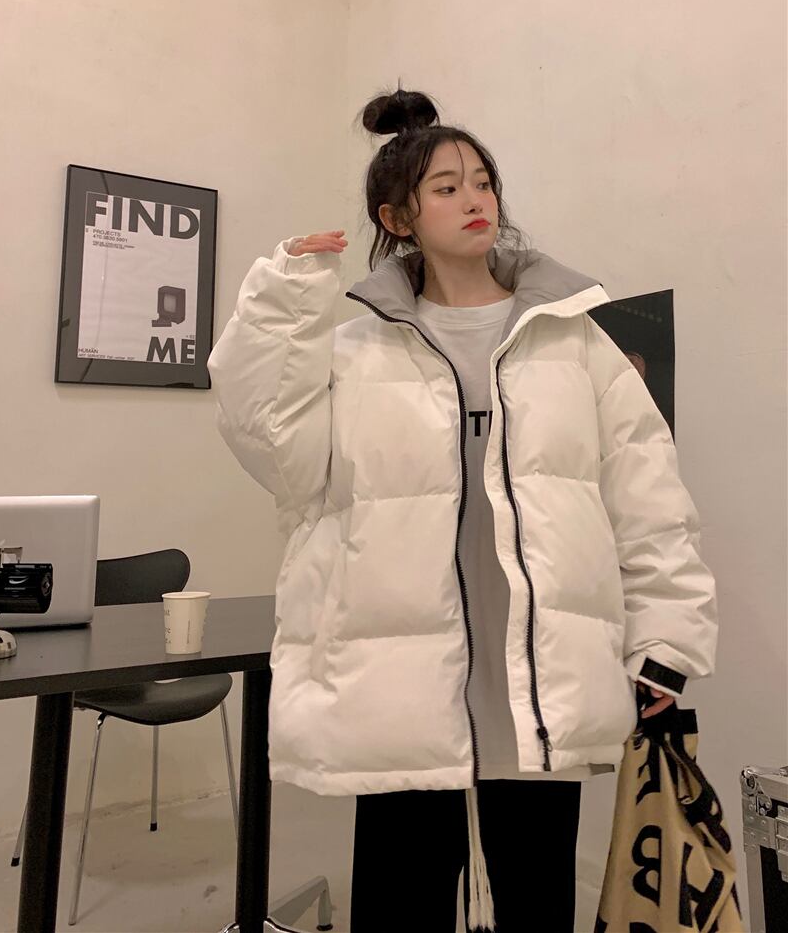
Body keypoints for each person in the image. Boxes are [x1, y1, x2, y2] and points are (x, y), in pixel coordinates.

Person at [207, 83, 718, 932]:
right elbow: (275, 449)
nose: (475, 199)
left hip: (539, 682)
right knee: (399, 904)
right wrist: (281, 302)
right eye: (446, 187)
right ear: (398, 218)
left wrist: (665, 638)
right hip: (399, 685)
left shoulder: (573, 339)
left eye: (482, 182)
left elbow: (648, 498)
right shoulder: (355, 348)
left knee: (536, 902)